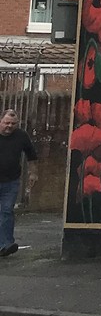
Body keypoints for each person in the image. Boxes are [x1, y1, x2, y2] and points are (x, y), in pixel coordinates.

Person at [0, 109, 38, 257]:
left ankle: (6, 244)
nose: (9, 126)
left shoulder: (21, 136)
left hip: (11, 181)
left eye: (13, 124)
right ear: (1, 121)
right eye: (6, 123)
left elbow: (31, 155)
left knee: (6, 211)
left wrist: (33, 173)